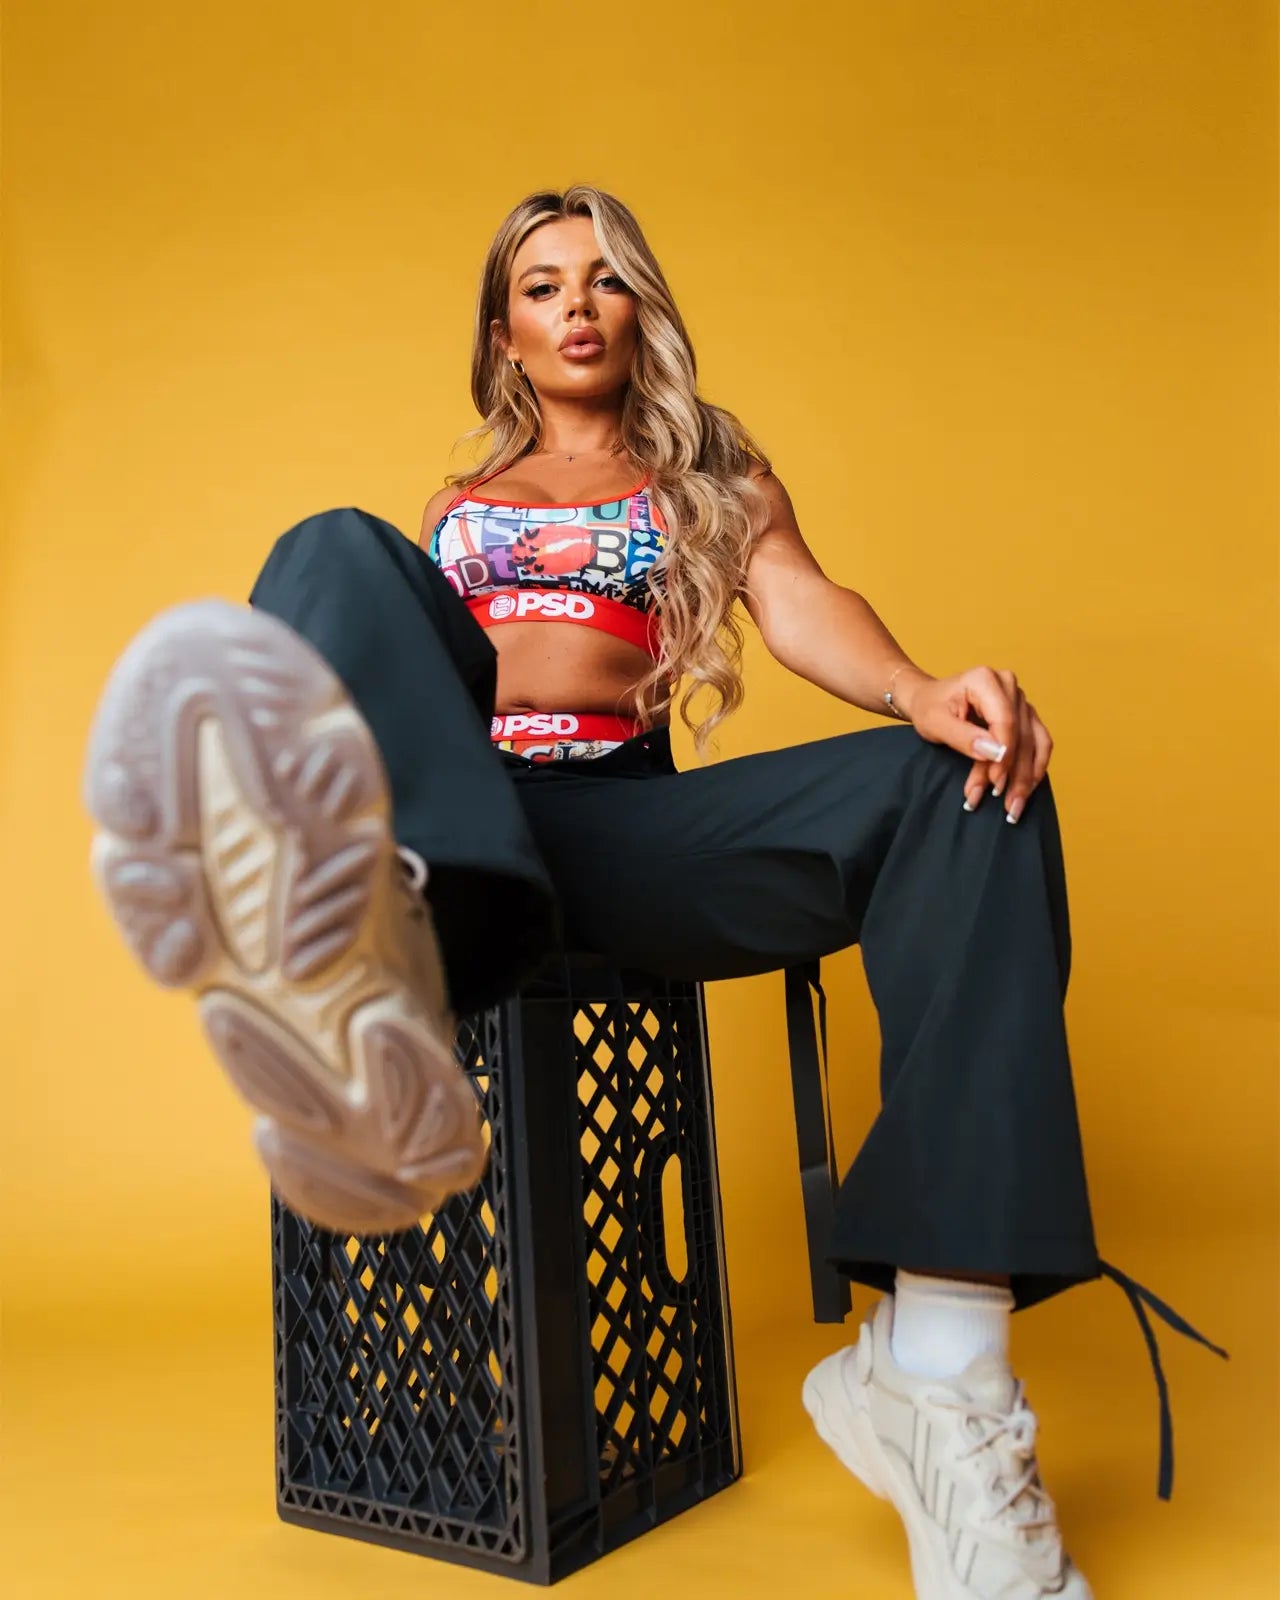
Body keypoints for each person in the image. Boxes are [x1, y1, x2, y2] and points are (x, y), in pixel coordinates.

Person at [82, 184, 1225, 1600]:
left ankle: (942, 1366)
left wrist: (921, 690)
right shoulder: (452, 515)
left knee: (968, 784)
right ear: (503, 335)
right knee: (332, 546)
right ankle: (316, 870)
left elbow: (800, 604)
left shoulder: (712, 474)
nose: (577, 306)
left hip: (628, 834)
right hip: (471, 823)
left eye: (604, 280)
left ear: (638, 313)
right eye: (543, 285)